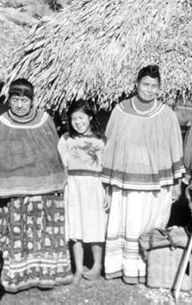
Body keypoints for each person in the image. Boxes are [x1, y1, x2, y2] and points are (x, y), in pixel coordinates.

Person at [0, 78, 72, 292]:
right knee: (15, 235)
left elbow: (54, 152)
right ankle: (15, 276)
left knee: (41, 234)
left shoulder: (45, 120)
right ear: (9, 100)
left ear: (32, 101)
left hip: (42, 192)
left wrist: (56, 179)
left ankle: (44, 274)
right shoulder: (1, 123)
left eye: (24, 100)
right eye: (15, 99)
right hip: (12, 193)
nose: (19, 105)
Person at [102, 65, 185, 284]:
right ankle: (121, 266)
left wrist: (177, 182)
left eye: (154, 86)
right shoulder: (119, 111)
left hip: (156, 183)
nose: (149, 90)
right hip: (124, 181)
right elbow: (110, 146)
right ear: (136, 84)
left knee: (150, 221)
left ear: (159, 88)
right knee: (125, 221)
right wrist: (108, 187)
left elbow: (175, 147)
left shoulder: (167, 114)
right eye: (145, 84)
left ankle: (147, 267)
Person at [57, 100, 107, 284]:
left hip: (95, 187)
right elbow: (63, 166)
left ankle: (97, 265)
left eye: (81, 118)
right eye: (74, 119)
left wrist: (107, 193)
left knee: (95, 224)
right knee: (75, 226)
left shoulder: (101, 141)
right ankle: (77, 268)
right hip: (73, 186)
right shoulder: (65, 139)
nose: (78, 122)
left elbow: (107, 168)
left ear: (90, 117)